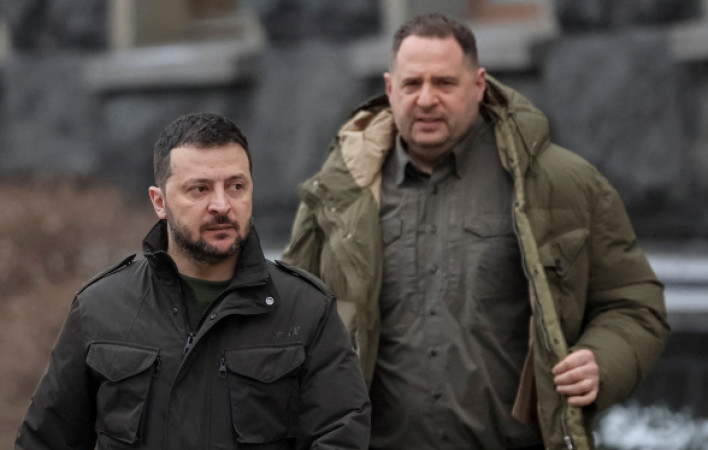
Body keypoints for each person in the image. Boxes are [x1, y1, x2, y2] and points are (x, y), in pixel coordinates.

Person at [283, 13, 669, 450]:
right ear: (390, 89)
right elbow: (288, 321)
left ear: (479, 85)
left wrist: (603, 360)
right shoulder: (336, 194)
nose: (426, 99)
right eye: (412, 84)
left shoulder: (560, 184)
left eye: (444, 83)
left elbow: (633, 302)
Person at [16, 113, 370, 450]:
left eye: (236, 186)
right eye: (199, 189)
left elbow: (340, 436)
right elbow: (45, 441)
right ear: (160, 202)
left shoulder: (305, 310)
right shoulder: (100, 309)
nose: (222, 205)